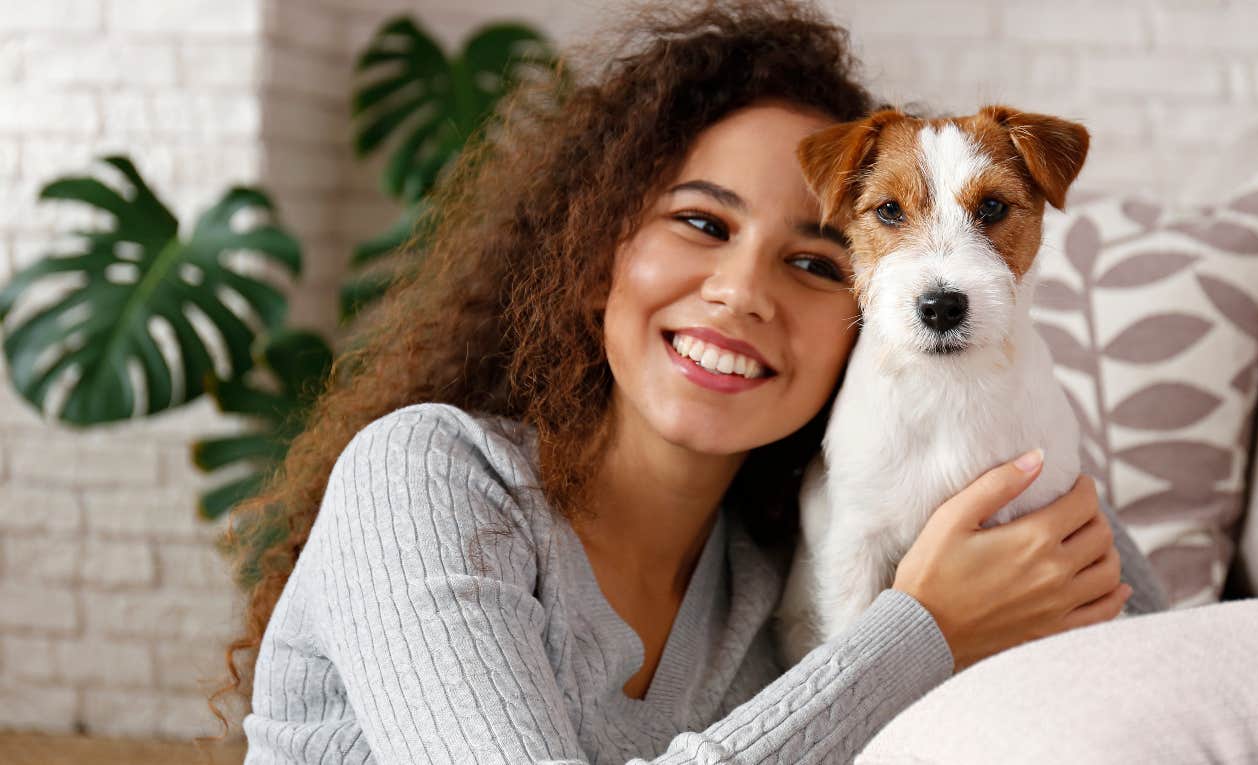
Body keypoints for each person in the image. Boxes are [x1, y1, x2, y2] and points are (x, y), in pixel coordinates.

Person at [209, 1, 1169, 762]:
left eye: (815, 262)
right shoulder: (426, 480)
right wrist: (918, 632)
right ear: (596, 250)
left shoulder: (781, 571)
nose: (742, 293)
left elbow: (1161, 649)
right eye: (704, 225)